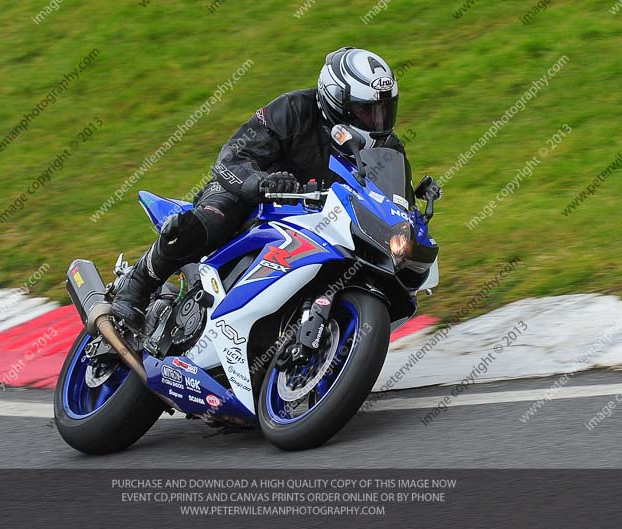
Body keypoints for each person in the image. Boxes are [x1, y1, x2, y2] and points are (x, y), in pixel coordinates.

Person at [112, 46, 416, 327]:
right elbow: (232, 157)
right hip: (255, 200)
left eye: (382, 110)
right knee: (211, 221)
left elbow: (396, 205)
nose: (375, 119)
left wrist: (412, 222)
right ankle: (135, 288)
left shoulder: (389, 150)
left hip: (321, 225)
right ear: (336, 99)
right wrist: (259, 181)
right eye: (365, 110)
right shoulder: (293, 109)